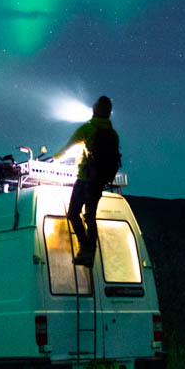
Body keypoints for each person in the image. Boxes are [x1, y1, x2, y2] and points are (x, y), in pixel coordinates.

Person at [55, 95, 120, 267]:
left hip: (85, 179)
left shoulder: (88, 129)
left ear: (95, 109)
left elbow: (69, 146)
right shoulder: (113, 134)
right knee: (90, 216)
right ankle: (90, 253)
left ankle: (85, 248)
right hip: (100, 181)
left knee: (73, 213)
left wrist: (55, 158)